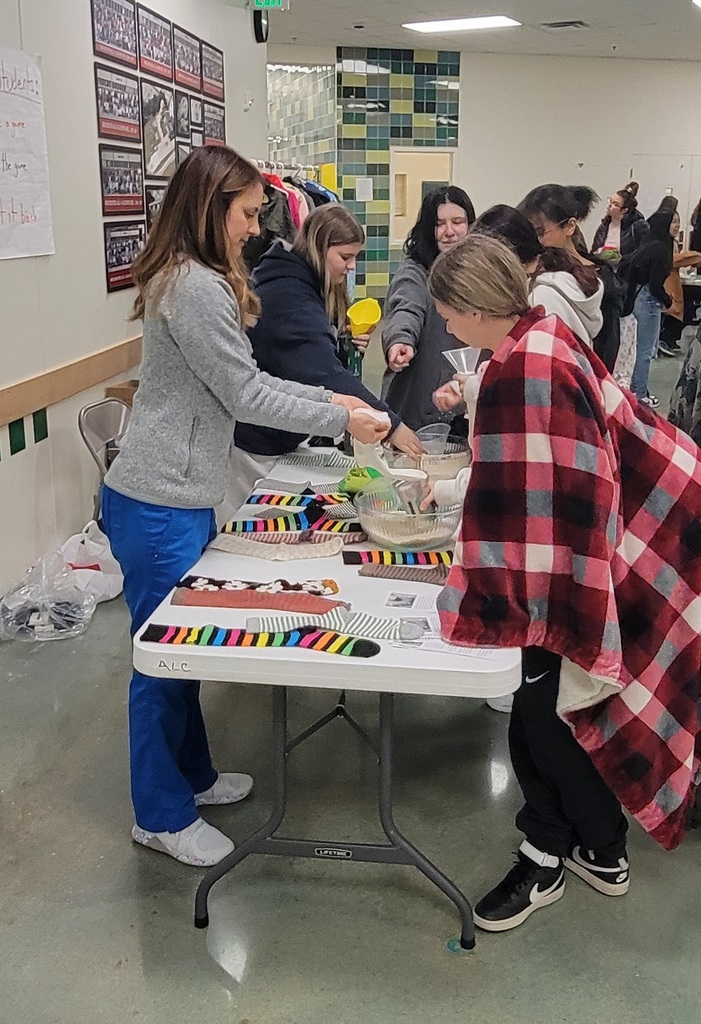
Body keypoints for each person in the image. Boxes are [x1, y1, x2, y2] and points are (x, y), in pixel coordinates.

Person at [101, 146, 389, 868]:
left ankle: (191, 778)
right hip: (159, 498)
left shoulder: (196, 277)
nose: (254, 229)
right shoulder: (193, 286)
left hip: (181, 494)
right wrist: (341, 414)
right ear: (208, 208)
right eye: (247, 214)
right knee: (160, 663)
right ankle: (159, 814)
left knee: (181, 654)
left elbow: (247, 376)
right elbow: (246, 395)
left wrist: (332, 401)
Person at [428, 233, 701, 933]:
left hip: (570, 570)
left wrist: (505, 591)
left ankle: (550, 851)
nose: (446, 327)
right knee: (552, 715)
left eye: (447, 314)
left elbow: (551, 499)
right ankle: (596, 848)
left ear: (469, 305)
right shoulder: (541, 335)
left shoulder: (526, 369)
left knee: (546, 723)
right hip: (595, 555)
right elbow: (544, 474)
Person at [232, 205, 422, 512]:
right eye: (345, 257)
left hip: (278, 433)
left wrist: (343, 344)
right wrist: (391, 424)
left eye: (355, 258)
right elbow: (323, 373)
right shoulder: (289, 295)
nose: (351, 266)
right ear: (320, 249)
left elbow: (306, 359)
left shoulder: (297, 280)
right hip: (254, 443)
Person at [381, 186, 476, 431]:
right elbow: (406, 307)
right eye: (439, 224)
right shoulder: (415, 271)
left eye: (458, 222)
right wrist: (400, 340)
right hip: (418, 409)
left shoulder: (480, 273)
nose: (449, 232)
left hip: (468, 406)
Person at [519, 184, 622, 372]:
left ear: (570, 226)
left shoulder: (601, 277)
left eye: (541, 232)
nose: (535, 240)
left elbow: (608, 346)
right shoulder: (532, 269)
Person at [625, 207, 677, 405]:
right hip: (647, 300)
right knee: (645, 351)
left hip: (639, 296)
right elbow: (656, 285)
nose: (677, 226)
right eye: (673, 222)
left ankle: (637, 389)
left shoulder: (650, 244)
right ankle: (640, 394)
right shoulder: (660, 250)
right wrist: (669, 303)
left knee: (639, 348)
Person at [592, 181, 648, 261]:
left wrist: (621, 259)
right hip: (604, 268)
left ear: (624, 210)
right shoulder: (604, 225)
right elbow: (594, 250)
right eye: (610, 201)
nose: (609, 205)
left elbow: (642, 253)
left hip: (626, 270)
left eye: (615, 204)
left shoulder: (638, 226)